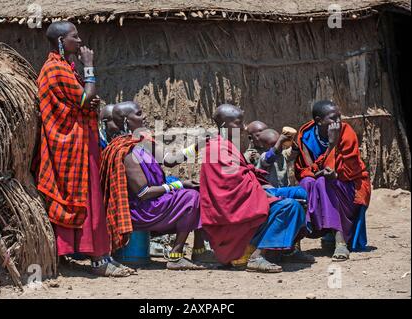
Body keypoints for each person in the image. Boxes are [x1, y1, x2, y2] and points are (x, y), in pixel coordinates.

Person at [34, 21, 132, 277]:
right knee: (88, 200)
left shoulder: (66, 68)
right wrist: (90, 66)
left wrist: (88, 97)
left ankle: (80, 255)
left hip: (80, 143)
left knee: (89, 198)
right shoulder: (55, 69)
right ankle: (99, 260)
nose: (79, 42)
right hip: (69, 146)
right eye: (74, 37)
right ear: (60, 42)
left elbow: (85, 100)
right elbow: (85, 99)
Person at [100, 101, 215, 270]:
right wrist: (179, 185)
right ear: (126, 121)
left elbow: (169, 160)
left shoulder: (143, 141)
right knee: (191, 198)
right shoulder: (126, 152)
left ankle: (198, 250)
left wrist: (197, 146)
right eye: (138, 114)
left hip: (152, 202)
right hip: (139, 210)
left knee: (195, 190)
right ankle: (176, 255)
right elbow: (143, 193)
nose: (144, 116)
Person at [200, 104, 314, 273]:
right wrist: (267, 195)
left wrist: (264, 189)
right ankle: (256, 256)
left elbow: (243, 177)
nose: (243, 127)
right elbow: (230, 190)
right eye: (238, 123)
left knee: (301, 193)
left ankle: (288, 249)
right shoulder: (217, 149)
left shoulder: (227, 145)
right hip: (233, 213)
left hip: (248, 196)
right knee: (290, 206)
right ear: (225, 126)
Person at [295, 100, 371, 261]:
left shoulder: (346, 132)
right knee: (305, 184)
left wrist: (333, 172)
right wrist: (330, 146)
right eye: (332, 118)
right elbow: (307, 170)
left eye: (339, 117)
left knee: (324, 183)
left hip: (349, 184)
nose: (338, 122)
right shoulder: (306, 135)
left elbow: (352, 168)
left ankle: (340, 241)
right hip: (320, 182)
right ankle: (294, 244)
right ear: (318, 120)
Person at [245, 125, 307, 200]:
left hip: (283, 188)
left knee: (303, 192)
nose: (279, 147)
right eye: (274, 145)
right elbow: (269, 157)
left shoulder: (281, 155)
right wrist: (280, 141)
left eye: (280, 145)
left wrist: (294, 147)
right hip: (270, 191)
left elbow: (291, 154)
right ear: (264, 146)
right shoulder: (263, 157)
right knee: (299, 192)